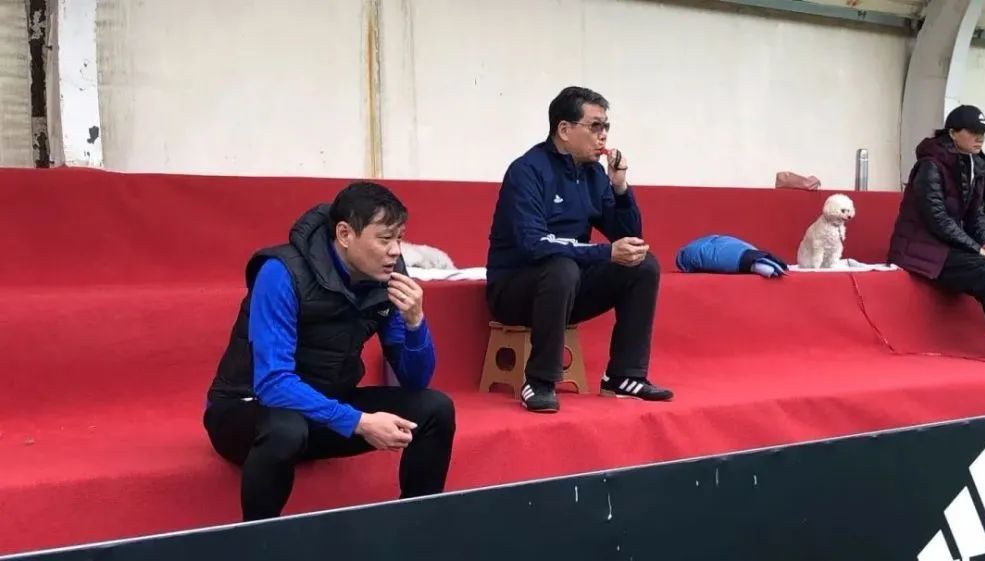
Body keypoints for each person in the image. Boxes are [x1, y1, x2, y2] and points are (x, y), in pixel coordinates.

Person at [204, 182, 455, 521]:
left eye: (400, 238)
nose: (396, 251)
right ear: (345, 234)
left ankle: (416, 529)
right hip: (247, 409)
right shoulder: (281, 272)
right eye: (385, 239)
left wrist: (415, 323)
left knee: (435, 409)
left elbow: (414, 380)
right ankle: (258, 539)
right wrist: (358, 421)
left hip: (325, 406)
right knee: (286, 430)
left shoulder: (389, 275)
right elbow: (273, 384)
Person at [485, 85, 673, 413]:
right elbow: (535, 244)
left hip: (567, 289)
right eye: (595, 126)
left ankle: (624, 375)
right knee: (561, 266)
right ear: (564, 130)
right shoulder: (527, 171)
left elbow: (628, 236)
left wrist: (620, 187)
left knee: (642, 264)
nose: (603, 136)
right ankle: (540, 381)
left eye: (606, 127)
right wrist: (603, 253)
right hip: (515, 290)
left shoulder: (593, 175)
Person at [888, 104, 985, 348]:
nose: (980, 137)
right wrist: (976, 249)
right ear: (952, 133)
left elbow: (977, 214)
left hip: (949, 249)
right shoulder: (930, 165)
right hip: (922, 251)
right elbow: (937, 219)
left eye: (983, 132)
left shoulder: (975, 165)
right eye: (973, 131)